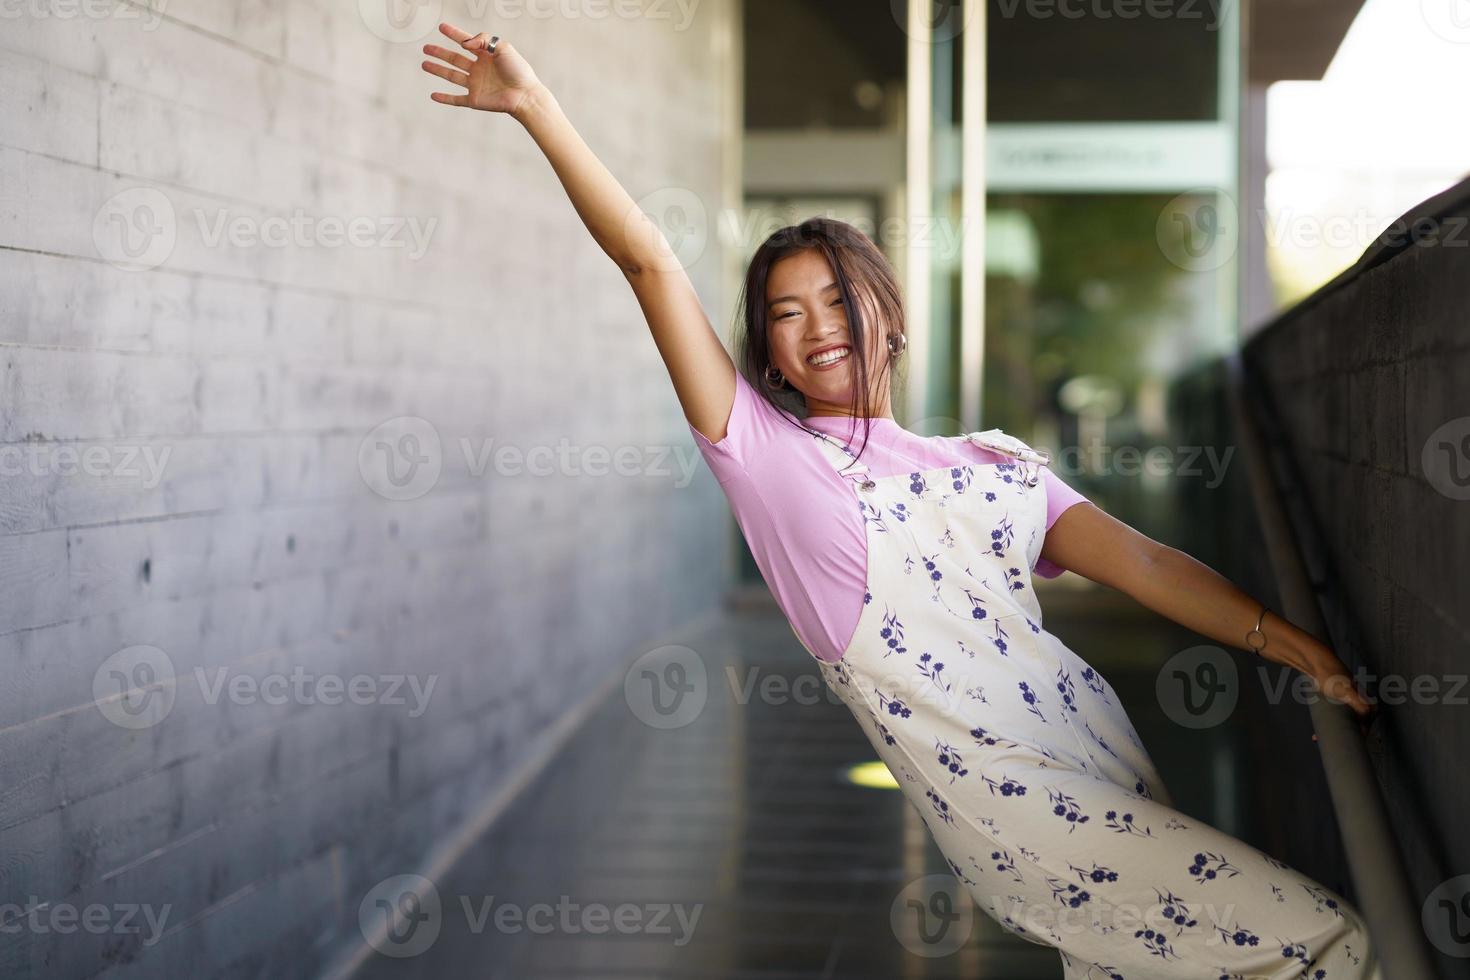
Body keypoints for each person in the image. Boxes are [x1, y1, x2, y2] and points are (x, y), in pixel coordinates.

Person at [420, 24, 1383, 978]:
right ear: (768, 353)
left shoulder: (994, 463)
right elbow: (650, 266)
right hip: (1021, 817)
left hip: (1103, 759)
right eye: (785, 316)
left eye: (837, 300)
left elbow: (1141, 562)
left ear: (888, 308)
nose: (816, 329)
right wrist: (538, 108)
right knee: (1323, 942)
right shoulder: (776, 466)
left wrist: (1291, 646)